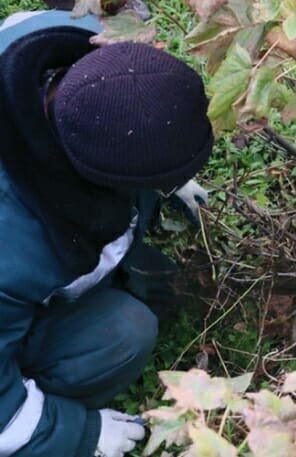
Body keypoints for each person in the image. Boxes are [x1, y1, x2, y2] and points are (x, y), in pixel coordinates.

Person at [0, 8, 213, 457]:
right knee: (122, 331)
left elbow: (128, 110)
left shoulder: (78, 40)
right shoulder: (11, 241)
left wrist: (165, 170)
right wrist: (77, 434)